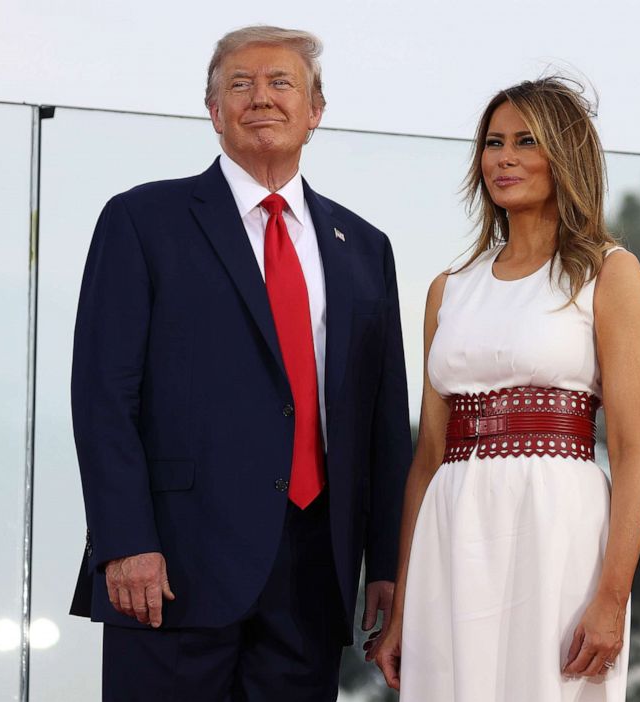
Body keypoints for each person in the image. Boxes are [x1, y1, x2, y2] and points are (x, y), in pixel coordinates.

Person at [69, 25, 412, 701]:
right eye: (240, 84)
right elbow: (103, 394)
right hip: (171, 567)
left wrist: (389, 563)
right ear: (213, 109)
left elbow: (382, 420)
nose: (262, 98)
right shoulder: (142, 220)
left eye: (282, 83)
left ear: (316, 110)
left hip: (315, 572)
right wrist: (125, 541)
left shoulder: (364, 247)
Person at [369, 77, 640, 701]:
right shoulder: (450, 288)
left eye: (527, 141)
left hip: (558, 531)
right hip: (452, 529)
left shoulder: (609, 272)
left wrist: (611, 598)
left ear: (565, 154)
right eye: (493, 143)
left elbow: (633, 452)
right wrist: (403, 601)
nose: (504, 157)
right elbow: (427, 459)